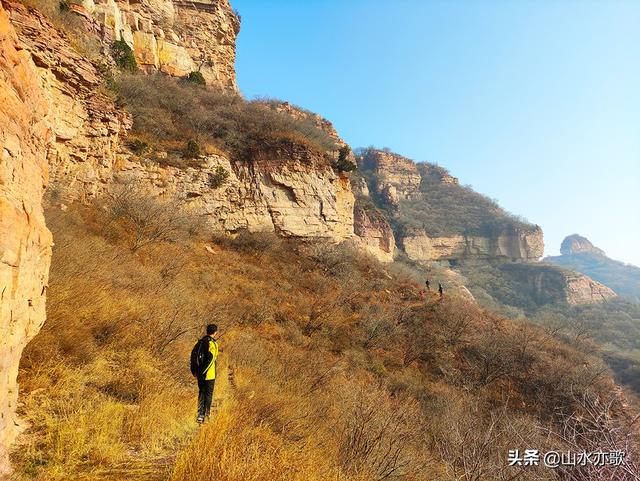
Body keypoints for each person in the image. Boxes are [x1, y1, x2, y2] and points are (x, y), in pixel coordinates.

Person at [191, 324, 219, 424]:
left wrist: (195, 372)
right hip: (209, 374)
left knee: (201, 393)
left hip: (199, 374)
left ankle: (200, 414)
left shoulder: (199, 342)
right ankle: (206, 415)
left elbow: (193, 357)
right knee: (208, 394)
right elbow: (211, 360)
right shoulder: (213, 344)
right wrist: (203, 372)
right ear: (215, 332)